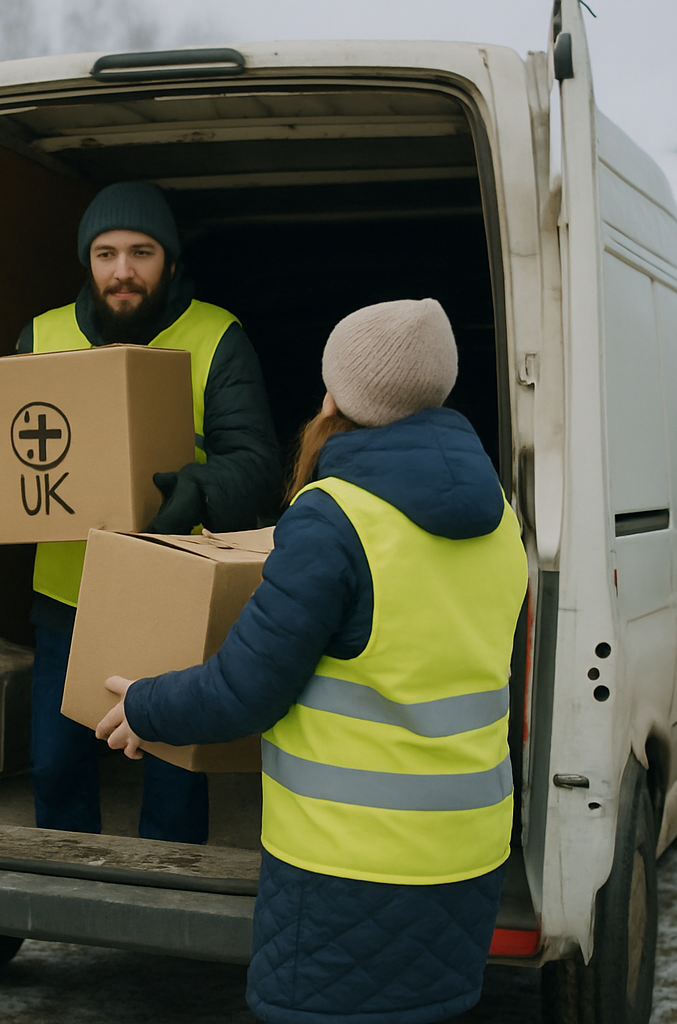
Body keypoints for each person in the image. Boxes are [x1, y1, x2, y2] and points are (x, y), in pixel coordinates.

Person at [97, 298, 527, 1023]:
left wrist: (143, 705)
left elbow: (244, 691)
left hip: (349, 869)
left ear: (338, 397)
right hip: (467, 856)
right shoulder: (500, 513)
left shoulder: (335, 517)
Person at [16, 180, 281, 844]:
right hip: (65, 597)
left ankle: (168, 902)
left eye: (141, 252)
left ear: (168, 260)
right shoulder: (40, 335)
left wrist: (202, 486)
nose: (123, 271)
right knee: (54, 765)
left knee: (172, 769)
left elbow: (257, 462)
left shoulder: (217, 335)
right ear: (88, 260)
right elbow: (6, 452)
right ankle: (69, 897)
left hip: (174, 595)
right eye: (106, 254)